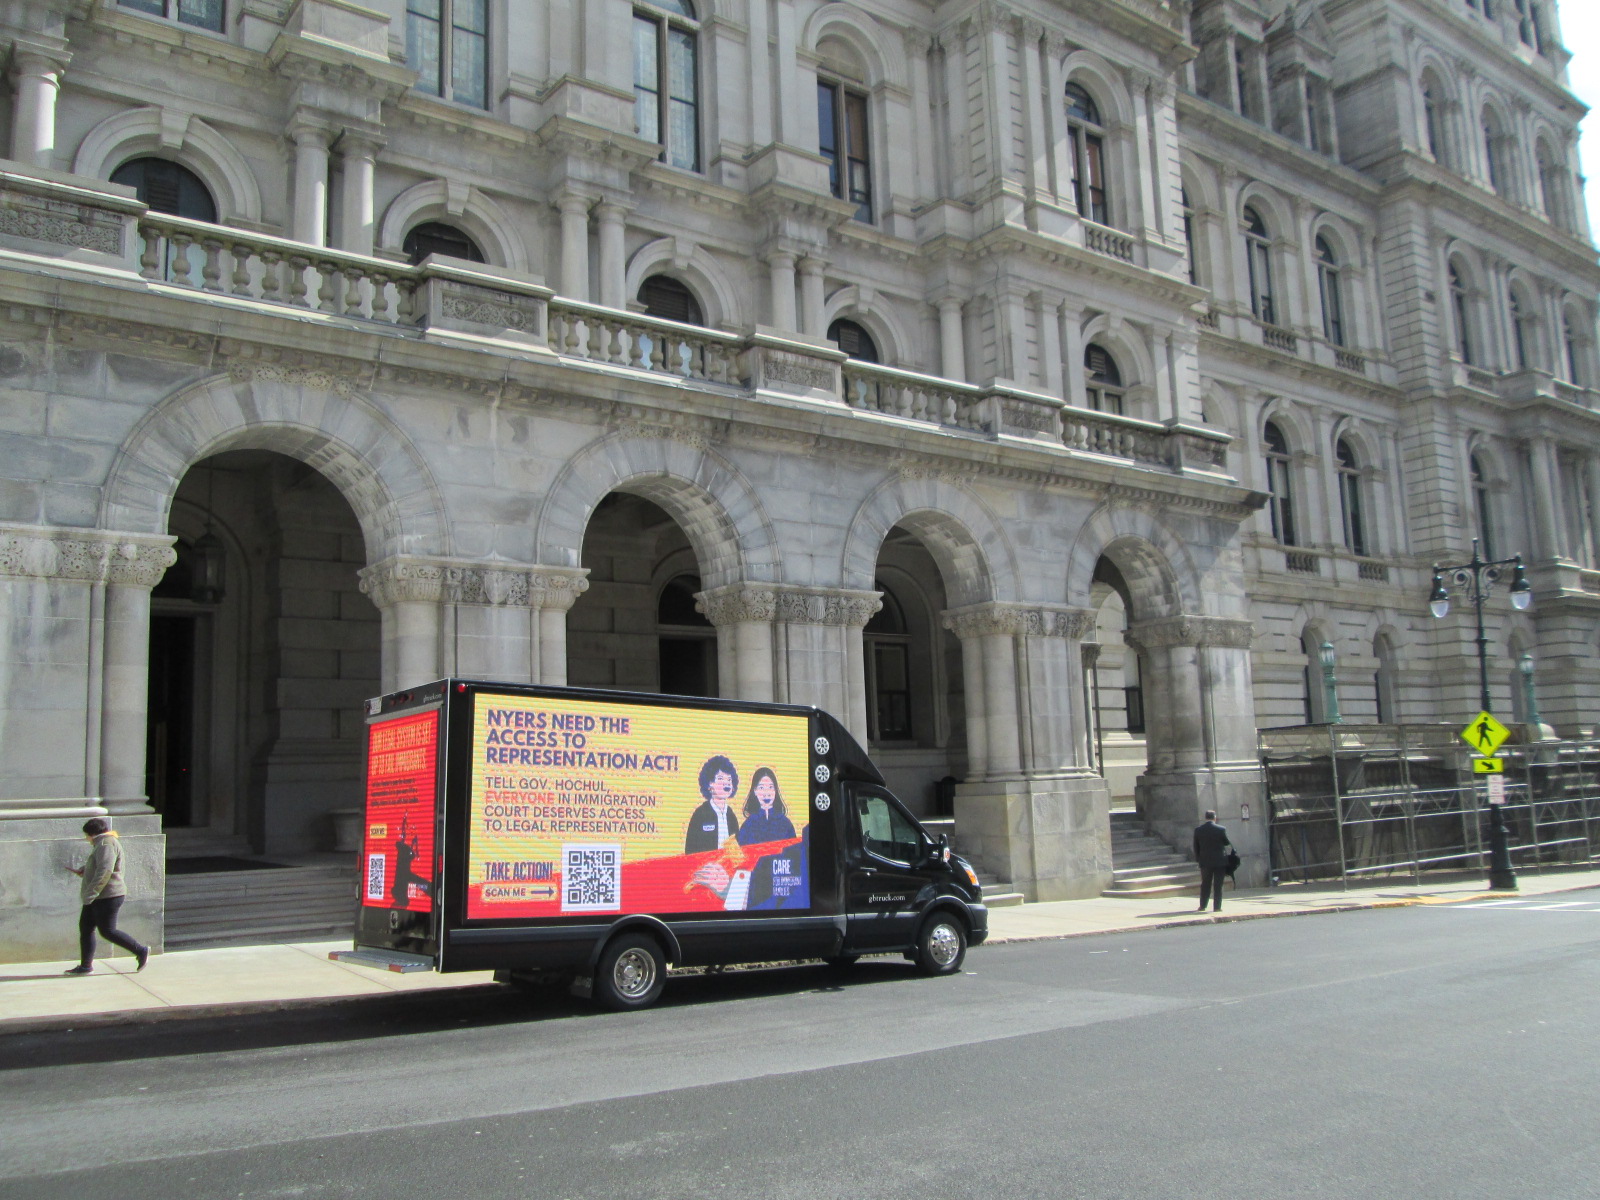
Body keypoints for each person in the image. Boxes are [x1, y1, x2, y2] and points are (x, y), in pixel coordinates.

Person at [64, 817, 149, 975]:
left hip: (107, 896)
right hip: (98, 896)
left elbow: (105, 871)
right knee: (86, 928)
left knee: (108, 931)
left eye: (86, 836)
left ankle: (140, 950)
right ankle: (85, 966)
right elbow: (100, 866)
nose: (86, 839)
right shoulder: (104, 843)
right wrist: (85, 870)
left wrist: (91, 893)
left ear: (92, 834)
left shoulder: (105, 844)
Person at [684, 755, 741, 853]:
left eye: (729, 780)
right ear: (710, 784)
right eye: (720, 778)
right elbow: (690, 851)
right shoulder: (701, 814)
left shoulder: (731, 816)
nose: (726, 783)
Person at [735, 767, 796, 846]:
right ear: (755, 791)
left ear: (775, 791)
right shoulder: (747, 826)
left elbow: (794, 853)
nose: (766, 793)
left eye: (770, 787)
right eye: (761, 787)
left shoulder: (786, 824)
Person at [1193, 809, 1233, 914]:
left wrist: (1199, 859)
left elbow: (1196, 847)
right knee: (1218, 885)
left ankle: (1202, 906)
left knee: (1205, 884)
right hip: (1220, 861)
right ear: (1215, 817)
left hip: (1205, 861)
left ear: (1205, 817)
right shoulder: (1221, 829)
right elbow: (1226, 842)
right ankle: (1217, 907)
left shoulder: (1198, 830)